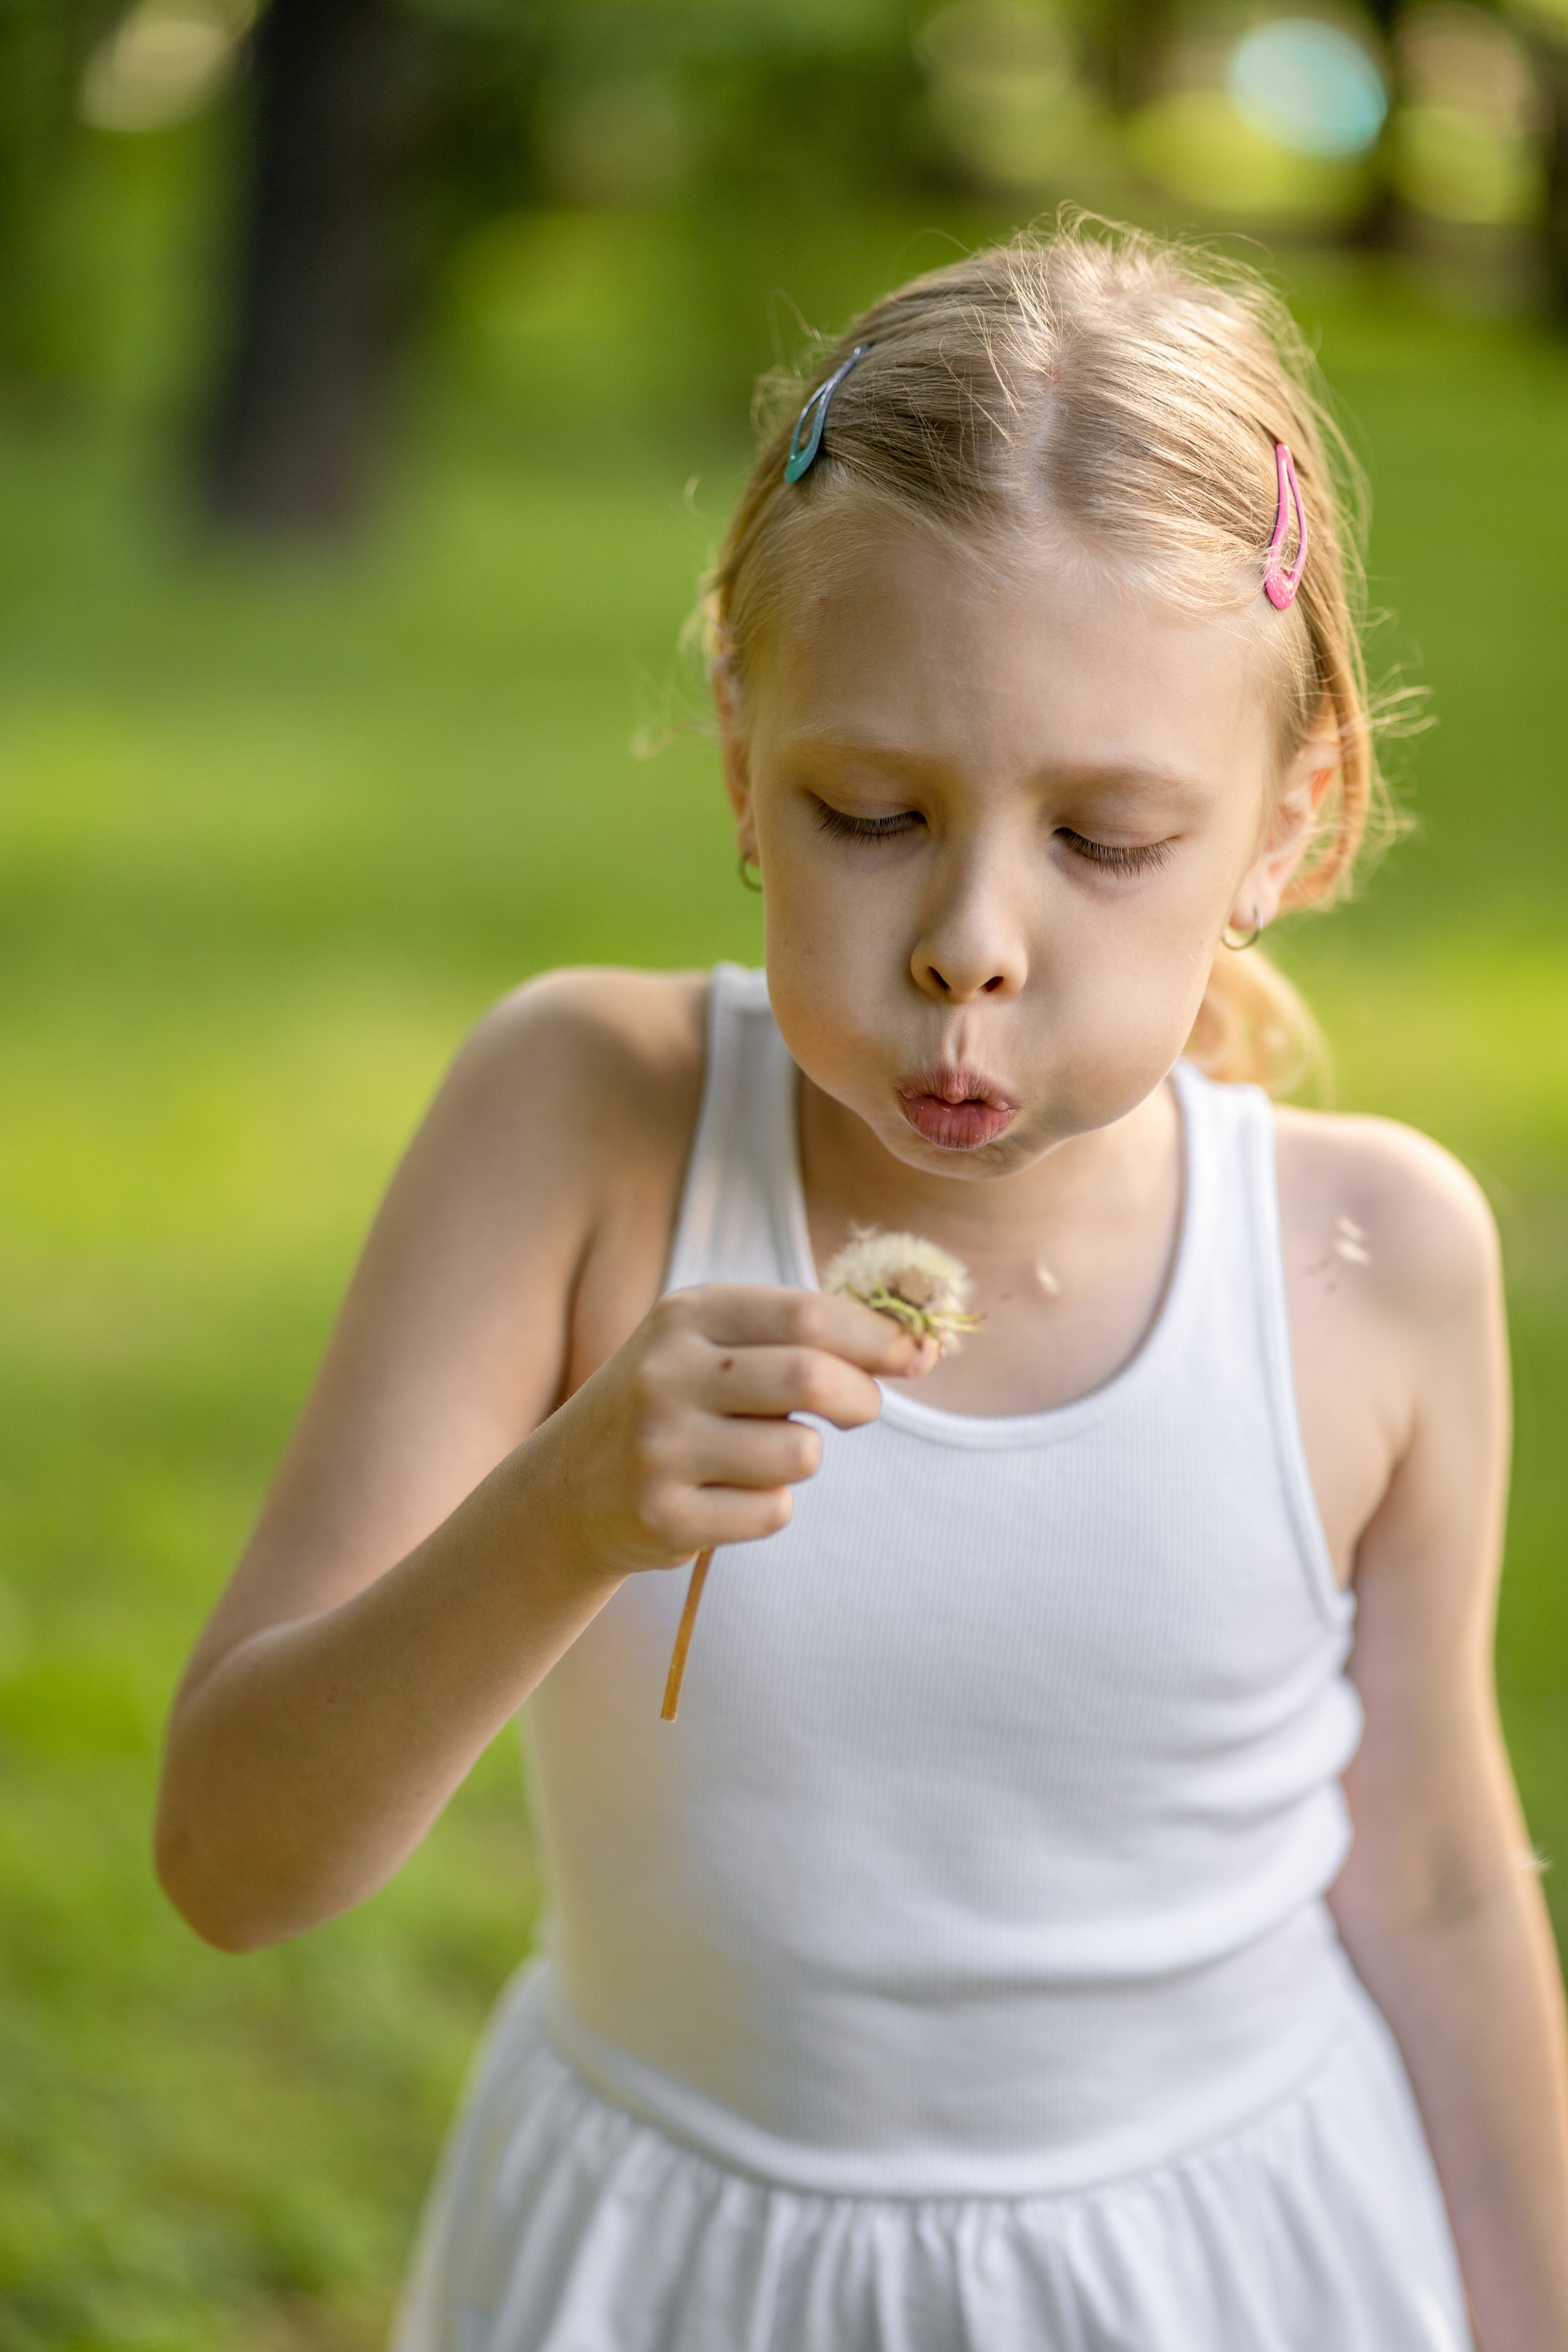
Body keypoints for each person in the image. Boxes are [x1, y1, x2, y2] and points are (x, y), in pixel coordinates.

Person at [155, 224, 1568, 2351]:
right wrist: (559, 1515)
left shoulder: (1372, 1262)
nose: (970, 942)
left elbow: (1445, 1879)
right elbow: (236, 1862)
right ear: (741, 758)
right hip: (676, 2269)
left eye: (1108, 841)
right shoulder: (587, 1120)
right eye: (871, 808)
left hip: (1221, 2274)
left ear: (1291, 824)